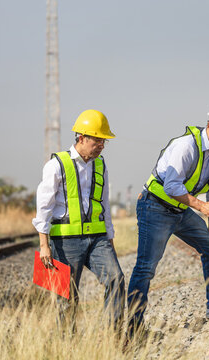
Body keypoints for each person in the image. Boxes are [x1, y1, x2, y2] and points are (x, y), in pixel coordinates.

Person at [127, 101, 209, 334]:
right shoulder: (186, 146)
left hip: (180, 210)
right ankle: (133, 327)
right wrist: (201, 207)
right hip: (154, 206)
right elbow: (172, 186)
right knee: (146, 267)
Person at [32, 109, 125, 329]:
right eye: (97, 139)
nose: (101, 145)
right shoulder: (56, 165)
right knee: (67, 296)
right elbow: (43, 208)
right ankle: (67, 344)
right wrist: (44, 246)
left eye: (104, 140)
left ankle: (115, 335)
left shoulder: (101, 165)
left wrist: (110, 239)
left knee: (116, 279)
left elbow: (105, 205)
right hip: (65, 242)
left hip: (97, 240)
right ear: (81, 138)